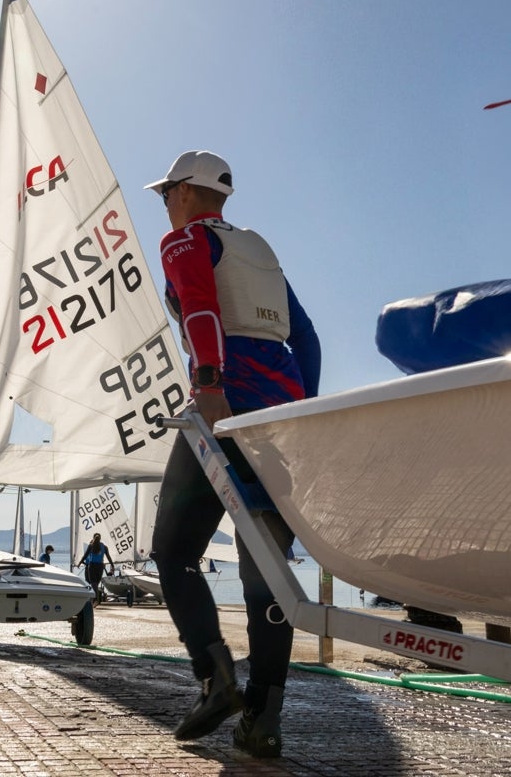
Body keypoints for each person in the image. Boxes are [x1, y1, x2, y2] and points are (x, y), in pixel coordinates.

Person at [144, 150, 321, 758]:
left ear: (188, 193)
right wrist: (304, 411)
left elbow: (199, 307)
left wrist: (213, 386)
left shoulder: (184, 241)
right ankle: (264, 720)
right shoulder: (261, 252)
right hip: (279, 419)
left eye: (166, 192)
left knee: (173, 554)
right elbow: (307, 337)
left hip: (225, 411)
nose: (164, 203)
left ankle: (214, 679)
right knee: (266, 576)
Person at [76, 533, 115, 604]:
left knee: (93, 583)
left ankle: (95, 599)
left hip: (92, 566)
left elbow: (85, 556)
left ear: (93, 538)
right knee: (96, 583)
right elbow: (109, 557)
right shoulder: (104, 547)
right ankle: (94, 599)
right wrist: (112, 566)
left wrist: (79, 563)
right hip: (100, 566)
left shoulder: (91, 546)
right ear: (100, 539)